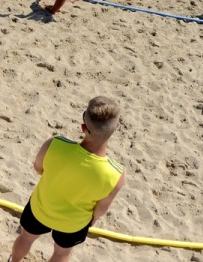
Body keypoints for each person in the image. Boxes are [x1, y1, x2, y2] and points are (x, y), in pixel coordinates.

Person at [9, 96, 125, 262]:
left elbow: (38, 168)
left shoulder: (55, 144)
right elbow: (100, 209)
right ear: (116, 128)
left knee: (26, 238)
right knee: (62, 254)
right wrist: (92, 221)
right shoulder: (116, 174)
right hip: (74, 223)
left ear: (83, 126)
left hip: (41, 208)